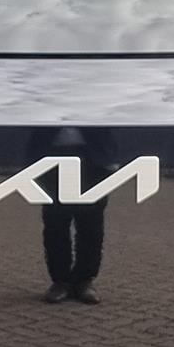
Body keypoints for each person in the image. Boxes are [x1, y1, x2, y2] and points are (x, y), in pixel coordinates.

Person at [30, 125, 115, 304]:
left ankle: (84, 281)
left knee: (91, 224)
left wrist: (109, 159)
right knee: (55, 223)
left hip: (93, 156)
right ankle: (60, 281)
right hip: (51, 154)